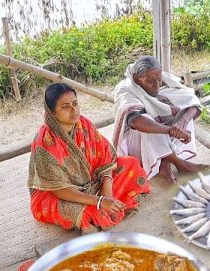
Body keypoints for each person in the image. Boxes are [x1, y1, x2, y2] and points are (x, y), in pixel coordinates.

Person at [28, 82, 150, 232]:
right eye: (65, 107)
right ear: (52, 112)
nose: (74, 110)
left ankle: (108, 205)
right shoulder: (45, 143)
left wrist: (107, 190)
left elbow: (106, 159)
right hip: (60, 194)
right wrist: (100, 201)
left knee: (131, 164)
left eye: (75, 103)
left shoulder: (84, 124)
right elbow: (60, 190)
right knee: (84, 213)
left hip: (93, 182)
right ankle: (100, 210)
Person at [112, 55, 209, 183]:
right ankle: (179, 163)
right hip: (137, 143)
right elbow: (136, 122)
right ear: (137, 78)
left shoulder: (165, 80)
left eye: (159, 79)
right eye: (151, 81)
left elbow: (193, 101)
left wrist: (182, 122)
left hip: (160, 139)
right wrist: (171, 130)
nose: (157, 85)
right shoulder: (125, 89)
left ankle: (164, 163)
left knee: (184, 112)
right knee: (148, 123)